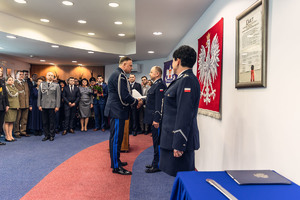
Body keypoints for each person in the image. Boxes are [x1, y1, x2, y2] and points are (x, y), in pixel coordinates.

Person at [159, 45, 201, 177]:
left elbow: (185, 113)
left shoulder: (186, 80)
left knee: (183, 179)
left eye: (173, 60)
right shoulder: (182, 80)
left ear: (178, 61)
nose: (172, 64)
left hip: (178, 141)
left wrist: (179, 143)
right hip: (171, 139)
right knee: (178, 179)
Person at [104, 56, 143, 175]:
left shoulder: (117, 74)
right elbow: (124, 96)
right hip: (117, 110)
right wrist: (136, 102)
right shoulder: (120, 75)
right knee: (116, 139)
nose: (132, 68)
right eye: (130, 65)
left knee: (118, 138)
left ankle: (117, 161)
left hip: (117, 110)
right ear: (124, 64)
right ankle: (116, 167)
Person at [143, 66, 166, 173]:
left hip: (156, 119)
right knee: (155, 141)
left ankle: (157, 164)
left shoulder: (160, 85)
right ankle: (155, 162)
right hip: (152, 117)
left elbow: (159, 104)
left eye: (151, 72)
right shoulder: (155, 85)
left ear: (157, 74)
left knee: (157, 142)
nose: (149, 73)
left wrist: (156, 119)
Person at [38, 72, 61, 141]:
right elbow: (39, 96)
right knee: (45, 121)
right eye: (49, 75)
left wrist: (57, 106)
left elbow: (58, 97)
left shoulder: (56, 85)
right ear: (46, 76)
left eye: (51, 75)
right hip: (44, 105)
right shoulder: (42, 84)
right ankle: (46, 135)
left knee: (52, 121)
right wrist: (39, 105)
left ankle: (51, 135)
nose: (50, 76)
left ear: (53, 77)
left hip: (52, 105)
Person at [14, 70, 30, 138]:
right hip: (18, 104)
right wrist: (16, 104)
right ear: (16, 75)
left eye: (22, 74)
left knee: (24, 119)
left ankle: (23, 131)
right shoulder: (14, 83)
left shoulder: (25, 83)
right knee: (17, 119)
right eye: (20, 74)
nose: (21, 76)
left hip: (26, 104)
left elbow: (28, 93)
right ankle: (16, 132)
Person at [4, 76, 19, 142]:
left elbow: (16, 97)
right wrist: (6, 105)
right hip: (9, 106)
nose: (11, 81)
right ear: (6, 81)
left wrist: (17, 105)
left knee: (12, 122)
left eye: (12, 80)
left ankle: (10, 135)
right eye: (9, 80)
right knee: (7, 121)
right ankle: (7, 136)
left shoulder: (14, 87)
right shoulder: (5, 87)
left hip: (14, 106)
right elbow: (5, 97)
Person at [0, 69, 9, 145]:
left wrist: (7, 104)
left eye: (1, 71)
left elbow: (5, 94)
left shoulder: (2, 81)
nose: (0, 72)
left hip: (2, 106)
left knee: (0, 123)